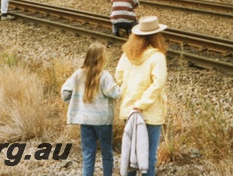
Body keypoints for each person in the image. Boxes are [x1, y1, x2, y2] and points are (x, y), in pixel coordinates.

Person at [115, 16, 168, 176]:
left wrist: (132, 99)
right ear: (156, 36)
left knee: (131, 158)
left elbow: (118, 77)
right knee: (149, 158)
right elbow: (158, 84)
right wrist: (143, 103)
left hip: (129, 112)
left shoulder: (127, 54)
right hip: (150, 113)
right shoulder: (157, 57)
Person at [62, 42, 122, 176]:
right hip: (103, 121)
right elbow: (115, 93)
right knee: (107, 154)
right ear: (101, 58)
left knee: (88, 155)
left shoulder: (78, 74)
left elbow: (65, 91)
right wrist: (122, 88)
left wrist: (74, 101)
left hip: (85, 120)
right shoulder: (104, 76)